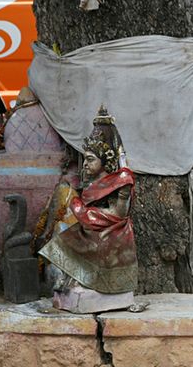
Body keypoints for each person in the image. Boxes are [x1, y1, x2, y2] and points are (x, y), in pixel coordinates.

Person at [37, 107, 137, 306]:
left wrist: (84, 213)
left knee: (69, 237)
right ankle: (70, 280)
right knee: (61, 233)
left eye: (90, 160)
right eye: (85, 159)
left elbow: (118, 214)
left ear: (105, 160)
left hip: (111, 232)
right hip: (92, 227)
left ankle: (86, 282)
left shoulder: (120, 181)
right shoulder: (93, 181)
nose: (85, 165)